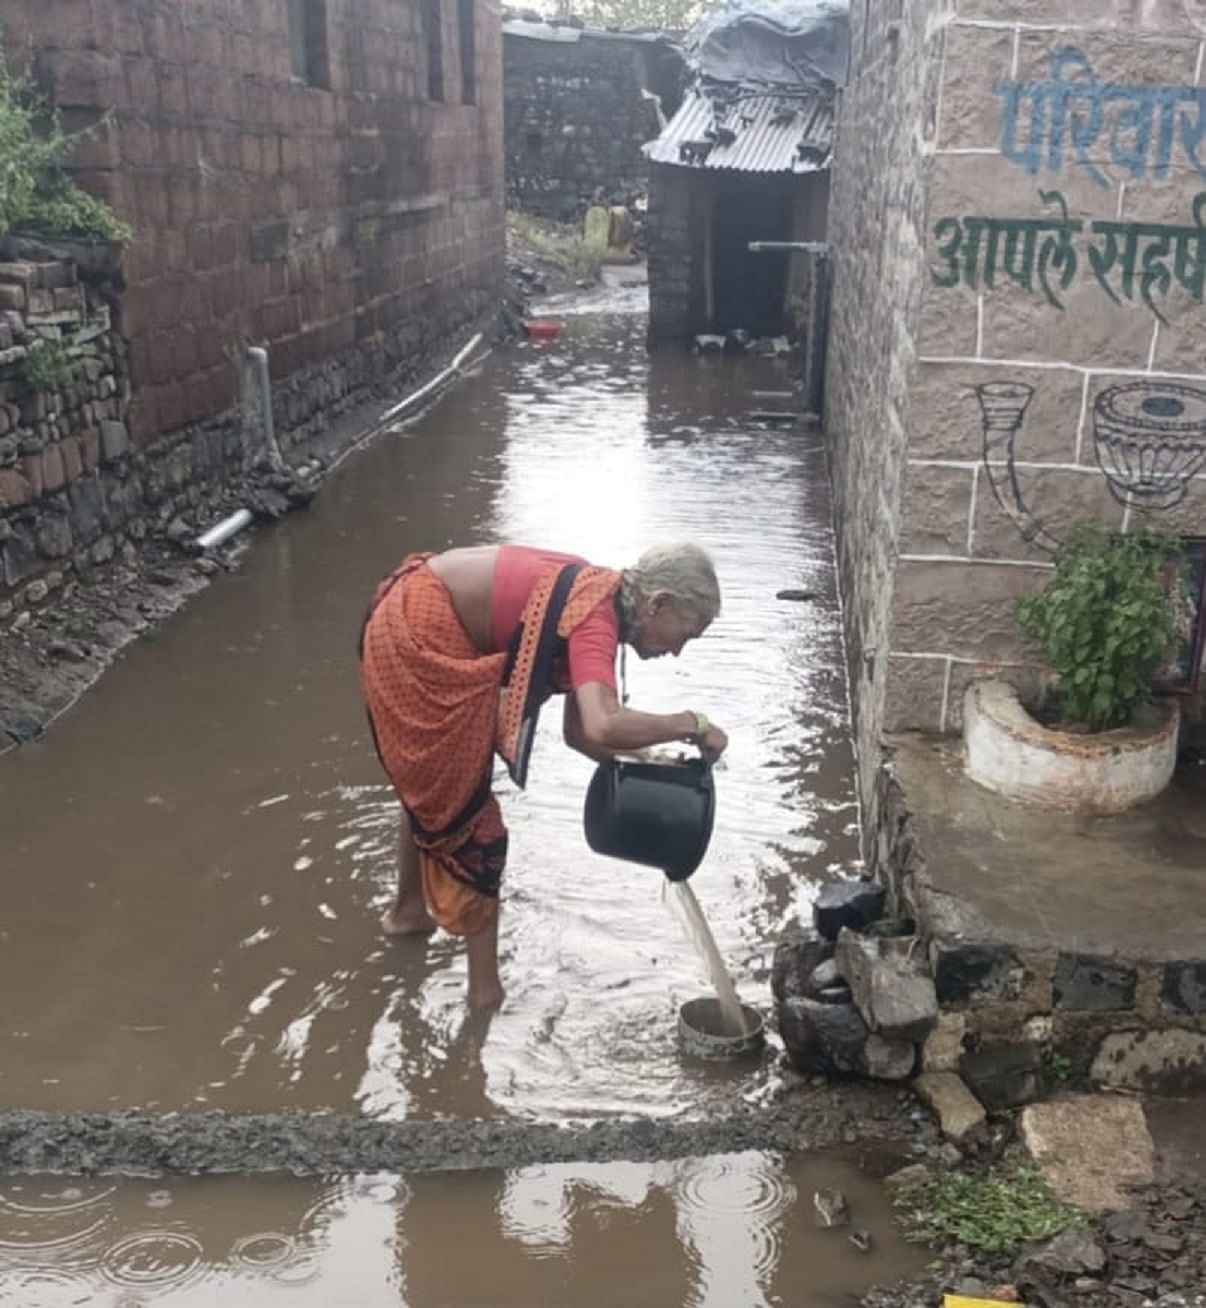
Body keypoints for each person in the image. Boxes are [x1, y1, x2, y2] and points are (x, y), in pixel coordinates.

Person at [358, 541, 729, 1009]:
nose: (678, 651)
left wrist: (652, 760)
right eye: (687, 634)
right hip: (418, 635)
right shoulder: (596, 619)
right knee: (470, 816)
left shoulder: (598, 597)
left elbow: (579, 732)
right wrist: (691, 724)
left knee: (434, 784)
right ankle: (484, 998)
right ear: (658, 604)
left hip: (413, 610)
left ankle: (409, 913)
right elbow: (602, 723)